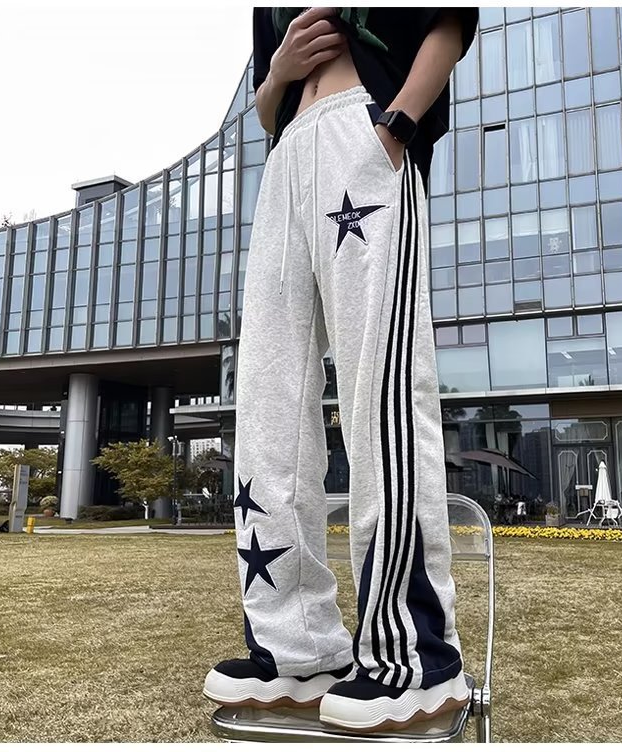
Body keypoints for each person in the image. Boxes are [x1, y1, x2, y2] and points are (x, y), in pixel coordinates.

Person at [203, 6, 479, 732]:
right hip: (287, 156)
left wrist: (398, 128)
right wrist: (279, 74)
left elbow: (449, 23)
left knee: (380, 393)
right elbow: (266, 106)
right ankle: (294, 649)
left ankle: (414, 656)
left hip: (367, 133)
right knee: (266, 407)